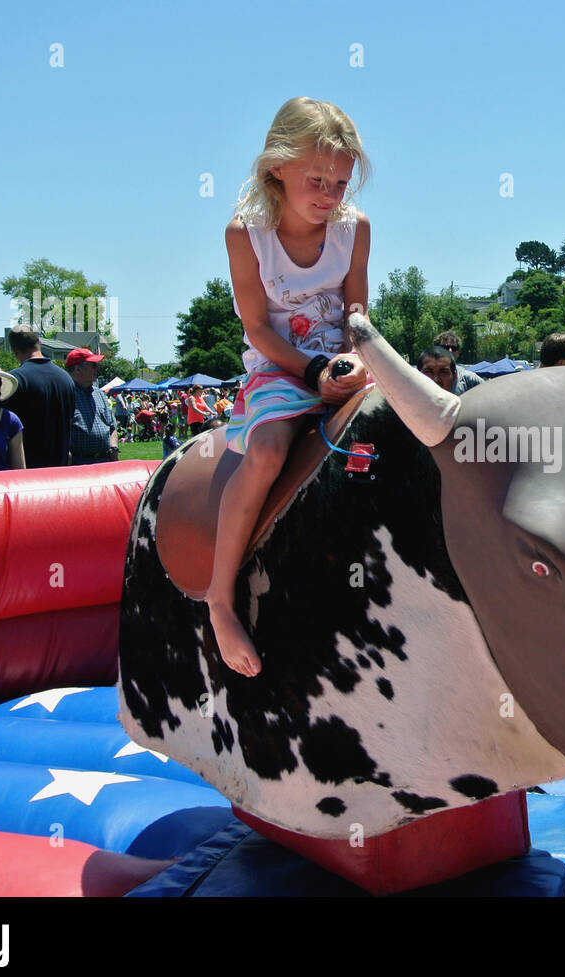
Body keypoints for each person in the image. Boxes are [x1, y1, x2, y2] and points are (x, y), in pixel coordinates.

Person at [210, 96, 371, 677]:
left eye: (340, 183)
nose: (329, 195)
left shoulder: (354, 230)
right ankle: (221, 600)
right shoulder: (247, 235)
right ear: (277, 167)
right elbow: (256, 326)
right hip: (280, 367)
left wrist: (352, 359)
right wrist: (310, 373)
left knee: (409, 423)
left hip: (344, 358)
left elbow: (356, 310)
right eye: (317, 180)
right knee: (269, 451)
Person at [4, 324, 76, 468]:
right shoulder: (66, 379)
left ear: (14, 350)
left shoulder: (14, 380)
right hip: (59, 469)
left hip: (28, 471)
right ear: (40, 343)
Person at [66, 348, 120, 465]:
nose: (97, 368)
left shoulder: (99, 394)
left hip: (105, 461)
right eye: (93, 365)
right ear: (77, 369)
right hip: (79, 463)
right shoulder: (65, 395)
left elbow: (112, 426)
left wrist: (114, 447)